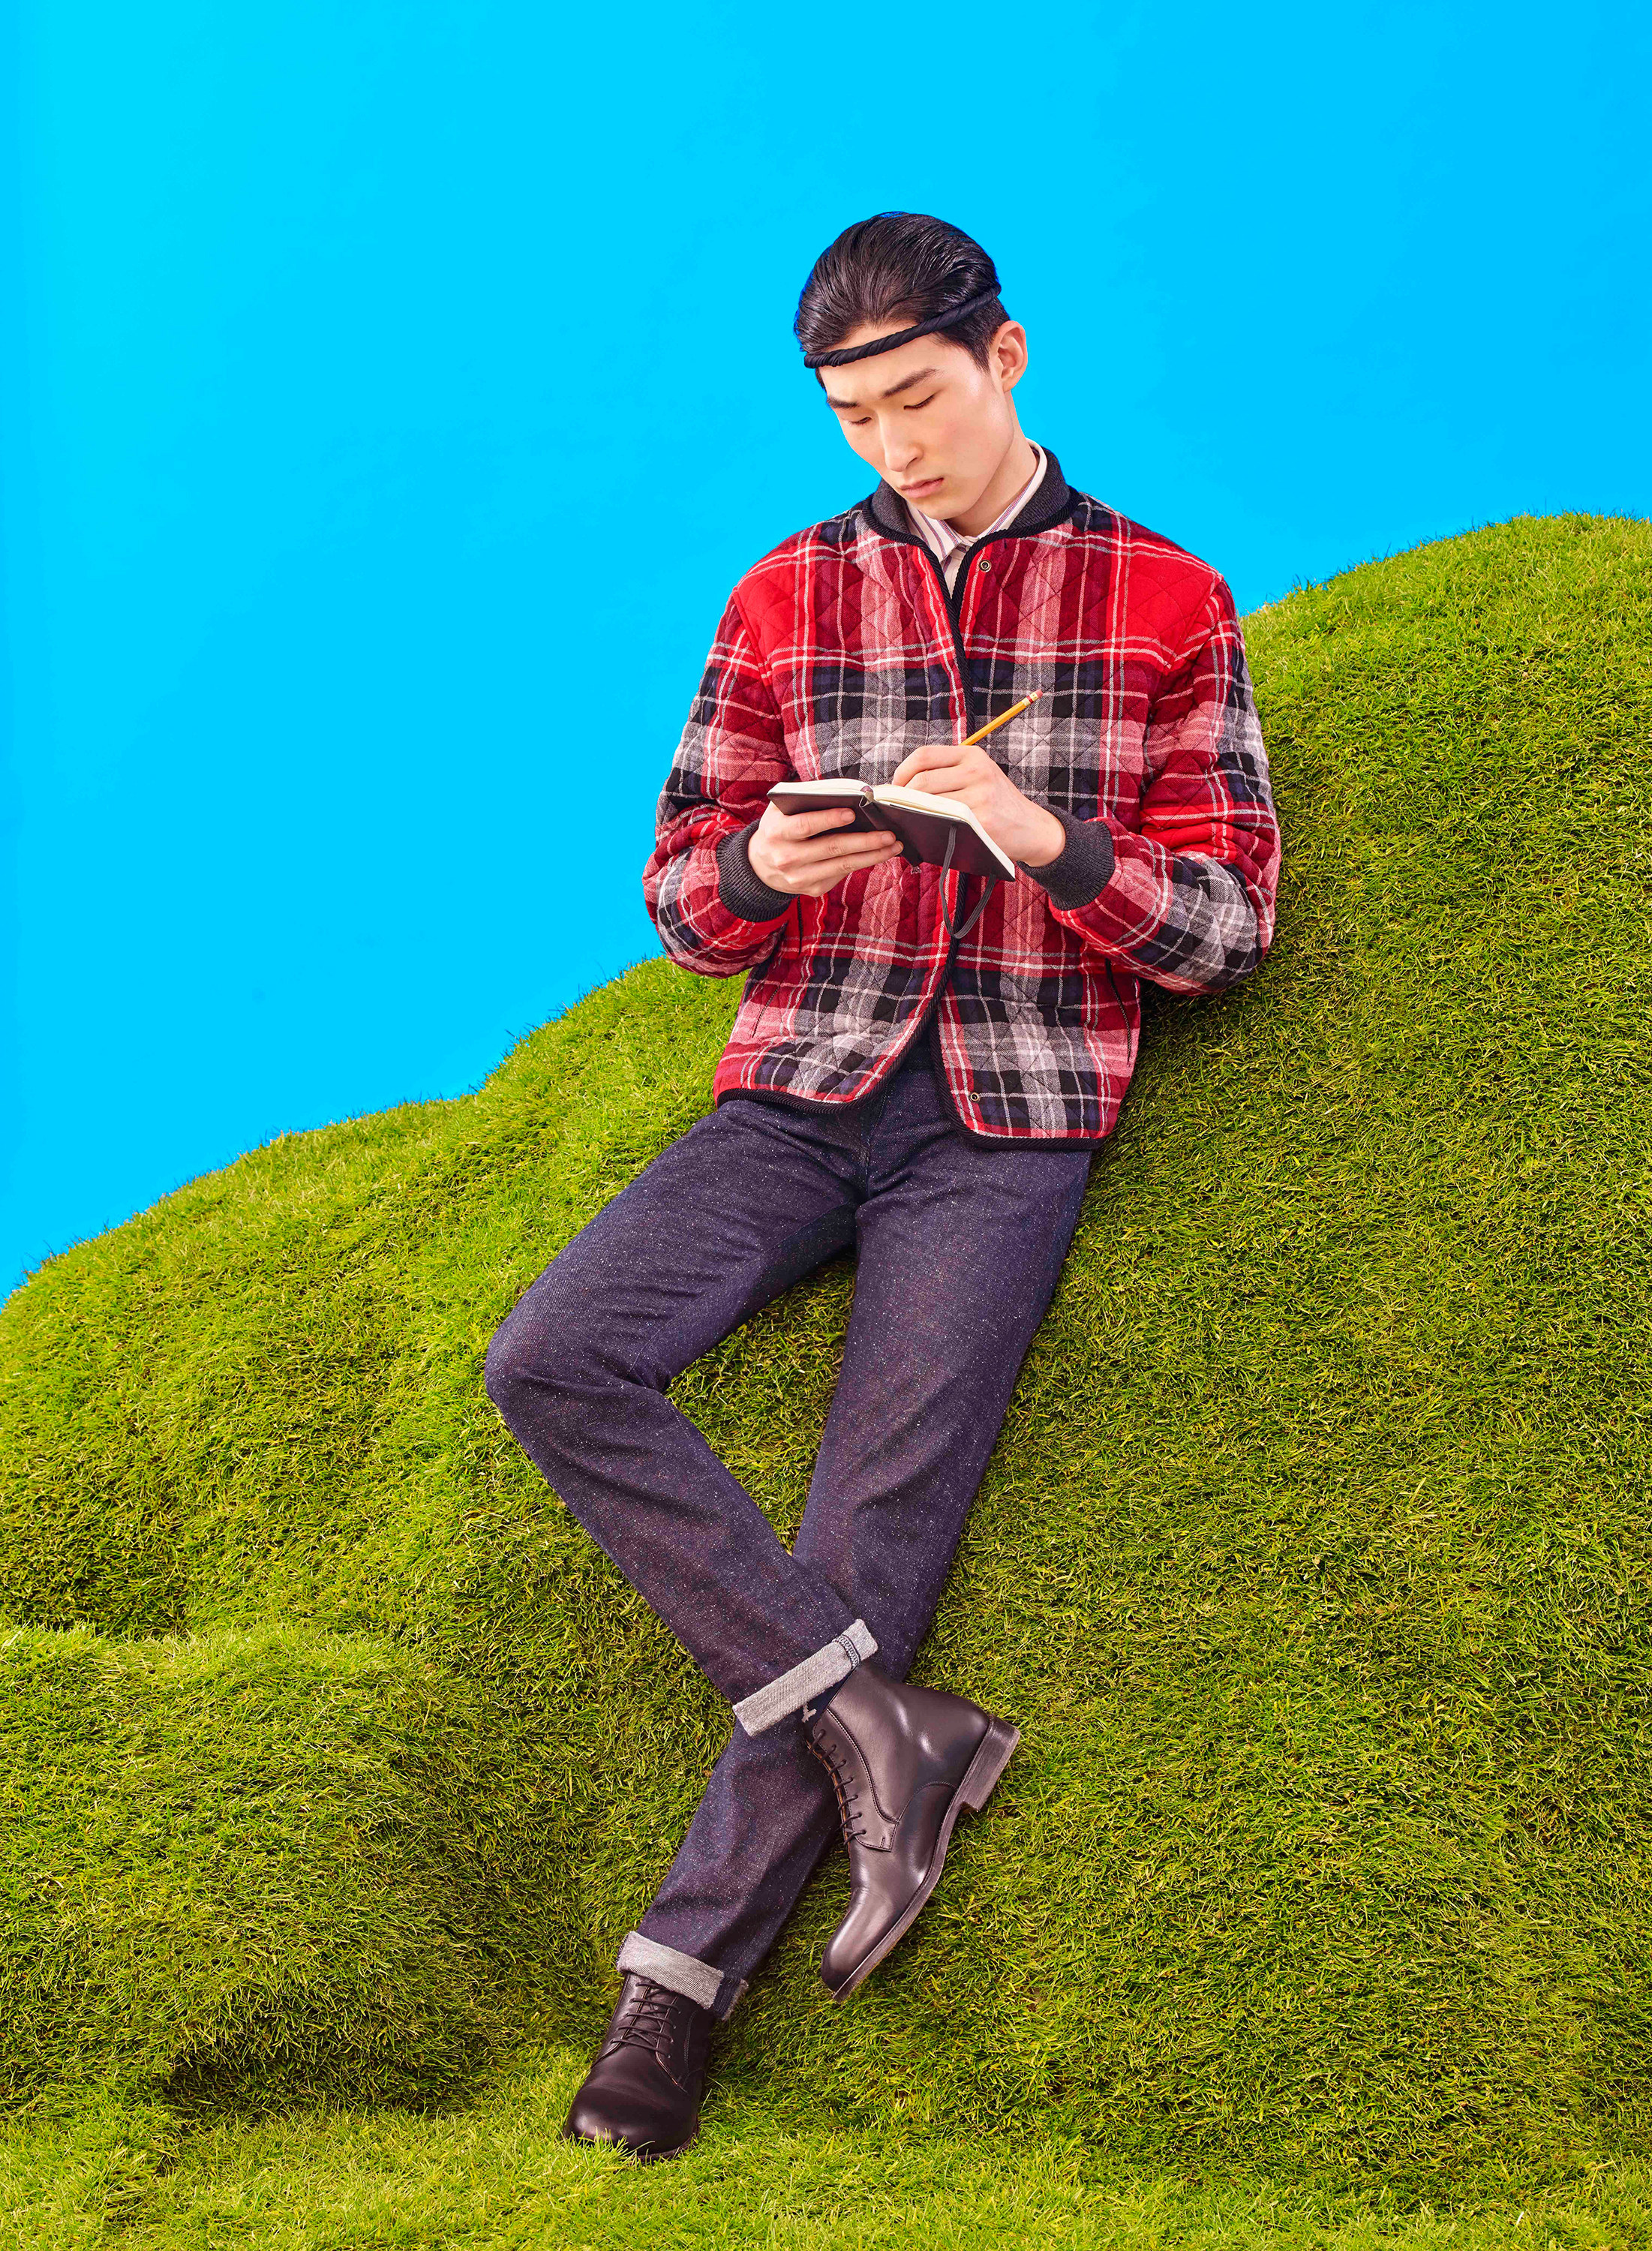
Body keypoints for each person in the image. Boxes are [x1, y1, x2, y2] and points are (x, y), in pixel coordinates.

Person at [483, 211, 1281, 2159]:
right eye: (854, 417)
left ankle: (673, 1996)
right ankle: (877, 1730)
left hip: (1013, 1117)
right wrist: (761, 870)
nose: (895, 448)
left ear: (1005, 358)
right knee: (551, 1357)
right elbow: (682, 898)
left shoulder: (1169, 599)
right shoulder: (780, 597)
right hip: (802, 1085)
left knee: (876, 1535)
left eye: (919, 398)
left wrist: (1045, 838)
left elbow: (1227, 929)